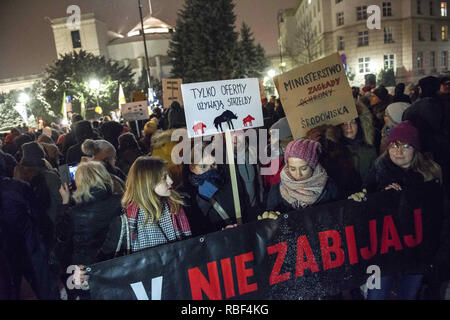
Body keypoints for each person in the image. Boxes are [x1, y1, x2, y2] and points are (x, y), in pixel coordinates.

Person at [350, 121, 442, 300]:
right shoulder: (378, 170)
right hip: (381, 254)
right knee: (377, 295)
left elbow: (438, 216)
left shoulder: (431, 175)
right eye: (394, 146)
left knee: (408, 295)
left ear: (415, 149)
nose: (398, 152)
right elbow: (364, 208)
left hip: (416, 253)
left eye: (406, 146)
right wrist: (382, 198)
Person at [99, 156, 192, 258]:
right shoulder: (124, 222)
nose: (171, 181)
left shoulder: (178, 206)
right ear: (147, 183)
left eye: (168, 176)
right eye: (164, 178)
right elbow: (105, 262)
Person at [13, 142, 62, 252]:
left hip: (30, 228)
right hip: (51, 224)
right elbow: (61, 200)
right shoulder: (49, 176)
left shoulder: (18, 175)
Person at [266, 139, 339, 213]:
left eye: (304, 169)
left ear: (313, 166)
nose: (298, 174)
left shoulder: (329, 187)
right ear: (287, 167)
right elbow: (270, 220)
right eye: (293, 169)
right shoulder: (276, 191)